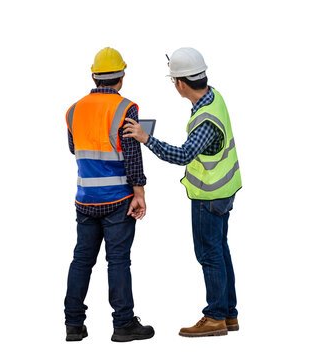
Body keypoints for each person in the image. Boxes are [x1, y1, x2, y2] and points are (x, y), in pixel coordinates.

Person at [123, 47, 242, 337]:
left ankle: (215, 317)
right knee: (220, 251)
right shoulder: (214, 97)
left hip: (209, 195)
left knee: (209, 254)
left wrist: (145, 138)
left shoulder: (204, 119)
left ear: (179, 83)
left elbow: (183, 155)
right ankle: (228, 314)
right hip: (225, 190)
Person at [64, 47, 154, 342]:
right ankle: (123, 325)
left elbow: (74, 148)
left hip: (85, 199)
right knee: (117, 261)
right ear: (121, 77)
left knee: (81, 260)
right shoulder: (126, 108)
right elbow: (131, 156)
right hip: (118, 199)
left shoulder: (73, 110)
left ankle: (74, 325)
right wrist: (139, 193)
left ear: (94, 75)